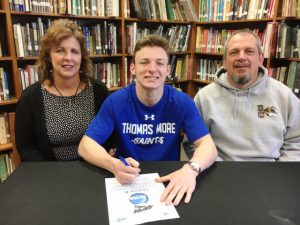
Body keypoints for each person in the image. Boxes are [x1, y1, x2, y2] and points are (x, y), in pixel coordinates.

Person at [78, 34, 217, 206]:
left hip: (169, 178)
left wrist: (191, 169)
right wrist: (113, 165)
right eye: (144, 62)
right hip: (126, 178)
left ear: (168, 69)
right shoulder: (116, 101)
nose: (152, 69)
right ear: (133, 68)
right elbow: (85, 146)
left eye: (159, 63)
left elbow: (208, 146)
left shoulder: (182, 102)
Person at [184, 29, 300, 161]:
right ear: (224, 61)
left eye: (249, 51)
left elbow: (296, 142)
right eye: (234, 52)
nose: (241, 57)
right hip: (220, 172)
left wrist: (279, 175)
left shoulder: (284, 95)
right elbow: (193, 143)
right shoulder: (204, 97)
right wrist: (219, 171)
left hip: (272, 173)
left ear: (260, 58)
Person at [15, 19, 111, 161]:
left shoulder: (99, 91)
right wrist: (54, 174)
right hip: (50, 174)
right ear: (48, 56)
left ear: (81, 57)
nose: (68, 58)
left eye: (74, 51)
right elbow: (26, 147)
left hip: (95, 168)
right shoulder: (30, 97)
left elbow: (111, 133)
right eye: (60, 51)